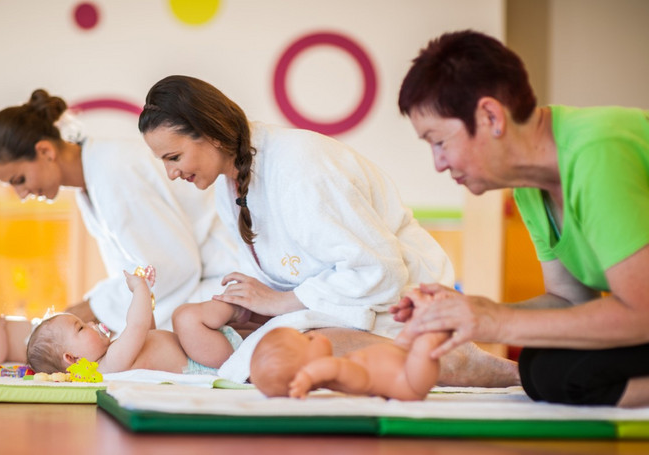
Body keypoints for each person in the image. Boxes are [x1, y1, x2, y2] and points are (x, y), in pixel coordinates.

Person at [138, 74, 519, 387]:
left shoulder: (300, 164)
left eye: (174, 158)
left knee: (303, 350)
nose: (172, 173)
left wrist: (280, 304)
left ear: (212, 133)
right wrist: (248, 306)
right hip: (328, 306)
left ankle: (460, 362)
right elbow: (279, 279)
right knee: (200, 321)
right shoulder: (231, 185)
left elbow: (379, 272)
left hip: (391, 304)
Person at [396, 29, 649, 407]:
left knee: (558, 372)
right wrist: (467, 313)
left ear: (490, 116)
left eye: (439, 141)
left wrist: (493, 320)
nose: (438, 164)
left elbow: (642, 312)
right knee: (538, 363)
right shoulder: (531, 185)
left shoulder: (596, 153)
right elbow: (570, 301)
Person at [0, 89, 239, 335]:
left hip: (223, 281)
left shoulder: (113, 171)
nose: (21, 194)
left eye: (19, 179)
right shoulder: (92, 179)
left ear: (45, 151)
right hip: (198, 288)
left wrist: (88, 310)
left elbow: (168, 269)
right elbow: (138, 271)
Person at [27, 270, 244, 375]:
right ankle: (240, 305)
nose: (92, 323)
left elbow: (147, 331)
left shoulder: (114, 353)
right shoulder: (109, 364)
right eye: (81, 327)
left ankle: (246, 315)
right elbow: (136, 326)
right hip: (203, 360)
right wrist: (139, 288)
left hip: (205, 348)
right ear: (72, 358)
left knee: (188, 319)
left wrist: (146, 297)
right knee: (184, 317)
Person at [250, 289, 447, 399]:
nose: (314, 336)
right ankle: (438, 326)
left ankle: (426, 315)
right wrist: (309, 375)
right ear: (310, 369)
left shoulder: (342, 366)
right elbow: (332, 368)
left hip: (401, 351)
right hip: (409, 380)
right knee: (425, 344)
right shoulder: (343, 376)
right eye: (308, 340)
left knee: (413, 329)